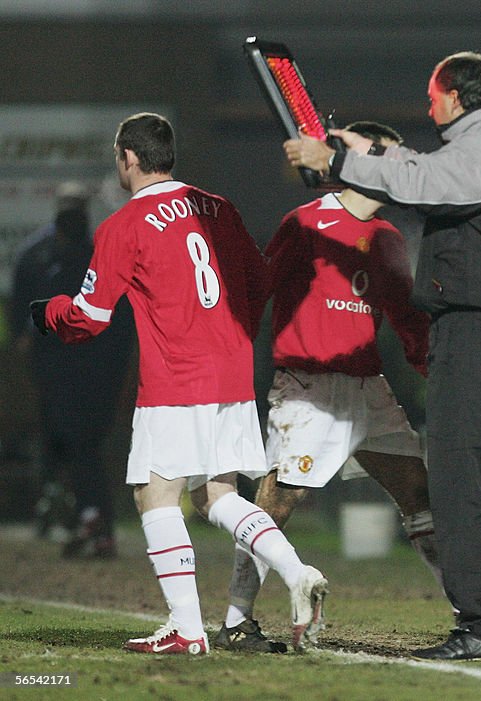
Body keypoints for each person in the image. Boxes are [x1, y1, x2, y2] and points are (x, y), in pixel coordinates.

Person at [31, 112, 328, 655]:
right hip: (233, 373)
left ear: (128, 158)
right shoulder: (220, 208)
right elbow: (259, 282)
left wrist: (50, 314)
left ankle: (188, 629)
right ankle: (297, 571)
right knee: (217, 494)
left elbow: (91, 317)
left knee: (154, 493)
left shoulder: (123, 225)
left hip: (176, 376)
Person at [284, 51, 481, 661]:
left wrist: (337, 161)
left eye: (432, 96)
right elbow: (423, 168)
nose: (428, 106)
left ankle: (479, 626)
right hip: (474, 329)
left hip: (478, 329)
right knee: (460, 474)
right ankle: (480, 611)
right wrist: (366, 152)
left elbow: (422, 184)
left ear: (454, 96)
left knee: (460, 476)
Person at [215, 121, 441, 653]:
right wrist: (227, 356)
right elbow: (260, 291)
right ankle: (235, 619)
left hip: (368, 388)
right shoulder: (304, 224)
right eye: (384, 155)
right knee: (276, 505)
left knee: (418, 495)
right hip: (308, 387)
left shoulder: (387, 237)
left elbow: (405, 317)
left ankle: (469, 612)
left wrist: (435, 370)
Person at [10, 182, 133, 558]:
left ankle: (91, 519)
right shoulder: (36, 255)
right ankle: (83, 515)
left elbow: (122, 319)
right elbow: (20, 320)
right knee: (69, 445)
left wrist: (117, 367)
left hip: (93, 368)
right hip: (55, 367)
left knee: (83, 445)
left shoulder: (99, 254)